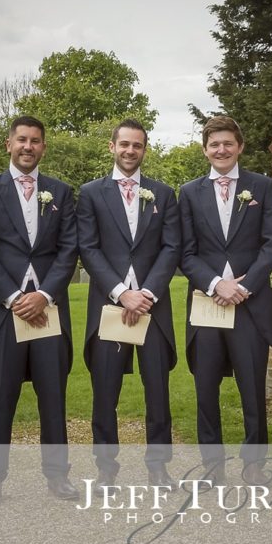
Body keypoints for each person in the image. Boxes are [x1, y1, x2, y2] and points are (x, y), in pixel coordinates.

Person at [0, 115, 79, 507]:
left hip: (47, 310)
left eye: (35, 141)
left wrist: (45, 295)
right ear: (8, 144)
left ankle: (57, 477)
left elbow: (69, 250)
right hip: (5, 313)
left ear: (43, 147)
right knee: (2, 398)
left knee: (53, 394)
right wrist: (15, 297)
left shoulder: (61, 193)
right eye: (21, 140)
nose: (28, 146)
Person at [77, 118, 181, 489]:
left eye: (137, 145)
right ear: (112, 147)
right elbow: (87, 248)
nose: (130, 151)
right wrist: (122, 293)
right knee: (105, 392)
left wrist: (147, 293)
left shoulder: (164, 194)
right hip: (110, 307)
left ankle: (159, 467)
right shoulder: (90, 193)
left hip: (153, 307)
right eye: (124, 144)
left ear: (144, 149)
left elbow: (172, 247)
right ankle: (106, 469)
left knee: (158, 390)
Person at [179, 116, 272, 485]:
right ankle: (212, 466)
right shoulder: (189, 192)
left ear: (239, 146)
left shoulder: (261, 186)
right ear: (205, 149)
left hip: (249, 304)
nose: (220, 150)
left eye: (227, 143)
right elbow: (186, 253)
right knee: (205, 386)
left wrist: (244, 286)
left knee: (252, 386)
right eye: (213, 145)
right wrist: (215, 284)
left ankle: (254, 463)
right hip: (207, 304)